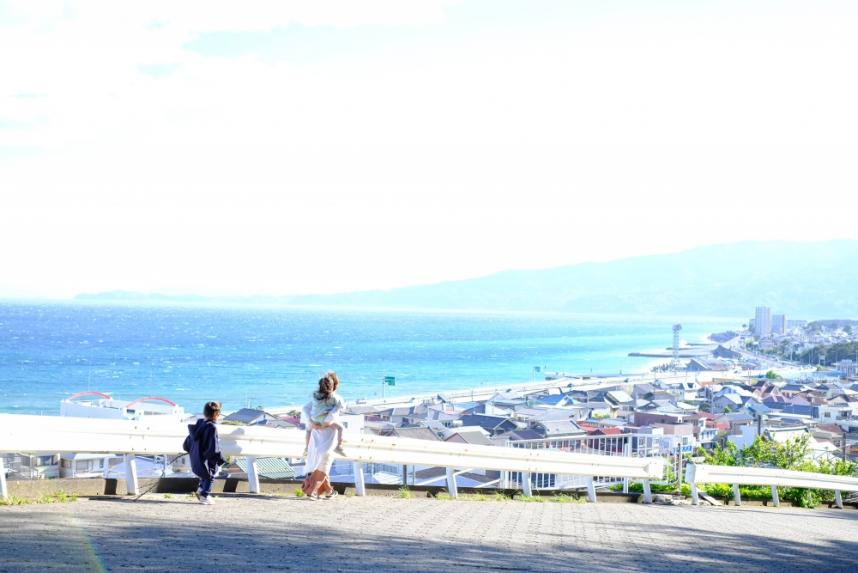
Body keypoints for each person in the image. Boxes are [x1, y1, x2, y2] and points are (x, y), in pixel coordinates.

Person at [301, 372, 345, 500]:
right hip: (328, 432)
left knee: (319, 460)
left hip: (315, 431)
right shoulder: (336, 399)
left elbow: (305, 408)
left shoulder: (316, 397)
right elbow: (333, 415)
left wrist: (312, 422)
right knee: (324, 460)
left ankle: (329, 490)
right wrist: (324, 423)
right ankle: (313, 491)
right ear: (335, 385)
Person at [183, 401, 226, 505]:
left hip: (197, 457)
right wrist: (220, 458)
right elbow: (213, 447)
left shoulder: (199, 424)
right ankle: (204, 495)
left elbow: (187, 443)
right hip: (206, 457)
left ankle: (201, 490)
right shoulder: (212, 427)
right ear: (216, 414)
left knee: (205, 475)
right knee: (210, 475)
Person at [304, 373, 346, 457]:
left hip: (314, 420)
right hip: (326, 421)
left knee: (308, 430)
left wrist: (310, 420)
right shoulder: (334, 397)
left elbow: (306, 407)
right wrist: (326, 423)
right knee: (341, 428)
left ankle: (306, 448)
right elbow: (341, 406)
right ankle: (339, 447)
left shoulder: (315, 395)